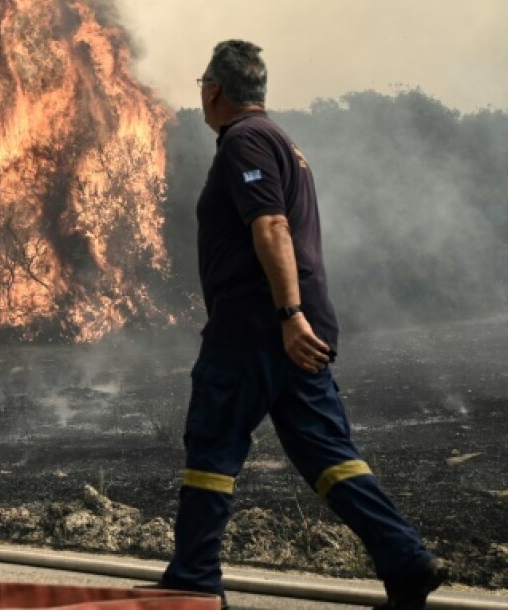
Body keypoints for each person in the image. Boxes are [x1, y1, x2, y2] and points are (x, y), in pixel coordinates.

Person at [160, 40, 445, 610]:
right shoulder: (281, 140)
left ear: (214, 90)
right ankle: (406, 562)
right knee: (327, 454)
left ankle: (194, 577)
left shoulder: (244, 141)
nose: (200, 98)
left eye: (200, 88)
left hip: (255, 327)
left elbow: (270, 225)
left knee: (213, 443)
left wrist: (287, 315)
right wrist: (298, 318)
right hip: (296, 331)